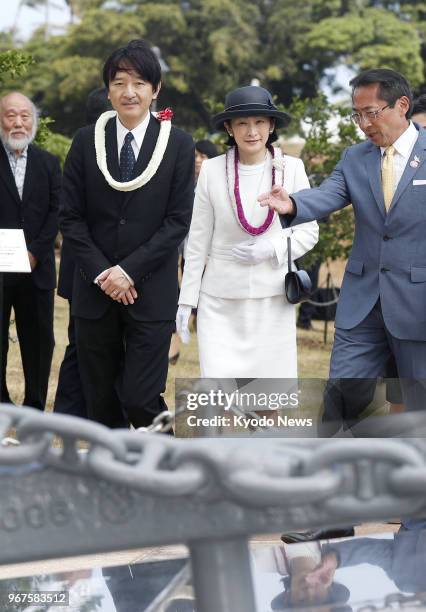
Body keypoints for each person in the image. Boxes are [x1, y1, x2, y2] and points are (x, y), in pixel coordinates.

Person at [260, 68, 426, 411]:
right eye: (357, 115)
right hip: (362, 303)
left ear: (402, 105)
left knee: (416, 409)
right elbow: (329, 194)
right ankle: (331, 463)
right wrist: (292, 203)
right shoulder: (355, 157)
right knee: (340, 401)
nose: (364, 124)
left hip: (418, 304)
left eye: (372, 113)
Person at [59, 39, 194, 429]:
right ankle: (111, 480)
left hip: (149, 292)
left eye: (138, 82)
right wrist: (105, 273)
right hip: (95, 290)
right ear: (108, 90)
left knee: (139, 395)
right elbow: (71, 217)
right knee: (99, 398)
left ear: (156, 89)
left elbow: (177, 220)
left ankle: (166, 465)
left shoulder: (178, 145)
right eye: (119, 82)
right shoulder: (87, 141)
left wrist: (129, 271)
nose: (128, 92)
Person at [176, 86, 318, 377]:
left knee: (267, 401)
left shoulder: (291, 168)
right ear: (229, 127)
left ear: (272, 125)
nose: (251, 131)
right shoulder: (212, 171)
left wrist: (272, 247)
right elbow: (197, 242)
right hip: (220, 302)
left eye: (259, 122)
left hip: (273, 300)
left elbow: (309, 231)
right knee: (222, 401)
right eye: (242, 123)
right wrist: (186, 300)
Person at [53, 88, 112, 419]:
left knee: (82, 345)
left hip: (97, 267)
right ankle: (70, 413)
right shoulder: (89, 148)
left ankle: (75, 412)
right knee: (81, 344)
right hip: (87, 267)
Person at [0, 92, 60, 411]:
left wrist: (35, 252)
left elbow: (56, 211)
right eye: (11, 115)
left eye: (25, 116)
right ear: (1, 120)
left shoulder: (49, 163)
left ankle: (35, 404)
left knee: (38, 341)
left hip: (37, 269)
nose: (18, 122)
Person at [168, 138, 219, 365]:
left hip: (212, 257)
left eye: (204, 156)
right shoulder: (185, 184)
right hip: (187, 253)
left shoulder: (216, 185)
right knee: (181, 297)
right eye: (196, 156)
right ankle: (174, 344)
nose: (198, 160)